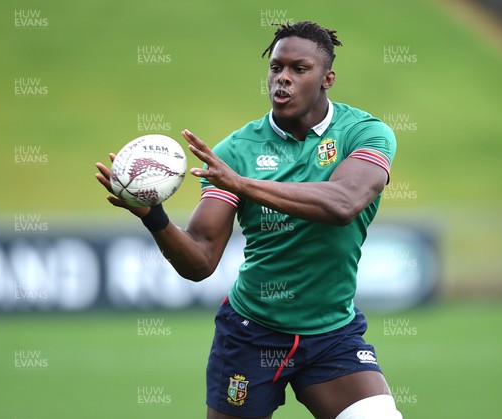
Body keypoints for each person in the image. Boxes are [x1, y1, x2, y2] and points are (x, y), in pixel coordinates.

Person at [96, 21, 401, 419]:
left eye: (299, 69)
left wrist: (242, 184)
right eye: (276, 68)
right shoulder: (236, 151)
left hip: (332, 333)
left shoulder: (363, 133)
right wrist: (154, 217)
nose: (283, 79)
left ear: (328, 78)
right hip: (251, 334)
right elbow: (201, 261)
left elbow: (343, 204)